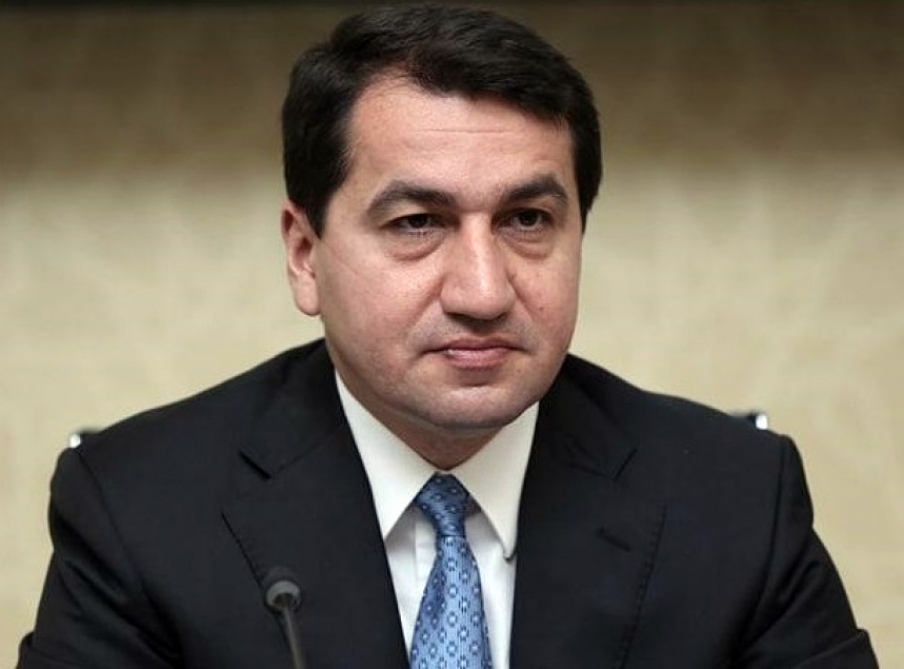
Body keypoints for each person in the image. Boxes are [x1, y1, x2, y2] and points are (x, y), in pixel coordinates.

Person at [18, 4, 878, 668]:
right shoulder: (139, 509)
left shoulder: (734, 501)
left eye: (528, 218)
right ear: (305, 254)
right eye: (417, 222)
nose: (483, 291)